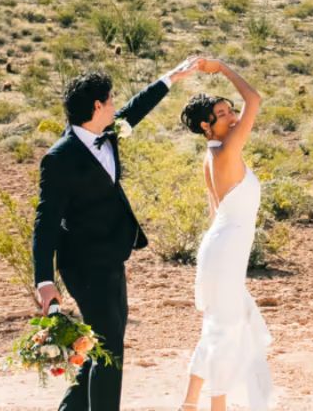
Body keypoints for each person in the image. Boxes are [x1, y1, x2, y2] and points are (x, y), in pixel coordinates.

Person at [34, 57, 204, 411]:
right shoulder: (60, 158)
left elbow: (136, 108)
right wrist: (43, 279)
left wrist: (171, 78)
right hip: (82, 265)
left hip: (111, 259)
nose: (115, 105)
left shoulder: (107, 133)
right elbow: (45, 221)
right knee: (109, 350)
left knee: (103, 345)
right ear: (97, 106)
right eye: (110, 100)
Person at [176, 58, 273, 411]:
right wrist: (224, 69)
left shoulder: (212, 154)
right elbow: (256, 100)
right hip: (225, 252)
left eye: (231, 110)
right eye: (222, 113)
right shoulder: (227, 151)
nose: (233, 117)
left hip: (221, 248)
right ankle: (217, 406)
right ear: (207, 125)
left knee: (219, 327)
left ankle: (190, 402)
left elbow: (215, 211)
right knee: (227, 330)